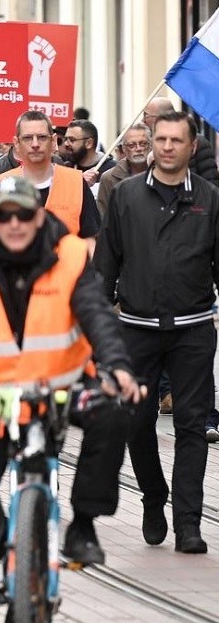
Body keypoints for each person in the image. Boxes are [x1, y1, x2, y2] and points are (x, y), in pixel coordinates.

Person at [0, 175, 142, 623]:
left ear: (38, 215)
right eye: (4, 215)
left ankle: (83, 523)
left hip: (60, 389)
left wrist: (117, 366)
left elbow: (97, 314)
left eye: (24, 214)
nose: (15, 223)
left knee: (115, 414)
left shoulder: (69, 256)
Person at [95, 110, 219, 555]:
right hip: (137, 330)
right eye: (160, 139)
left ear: (191, 147)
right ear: (151, 143)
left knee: (191, 426)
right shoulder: (127, 195)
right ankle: (153, 496)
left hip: (192, 330)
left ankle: (188, 522)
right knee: (136, 420)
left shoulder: (209, 198)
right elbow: (106, 261)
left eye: (175, 140)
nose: (166, 147)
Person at [0, 111, 101, 240]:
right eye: (27, 138)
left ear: (53, 141)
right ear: (16, 143)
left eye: (42, 137)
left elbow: (90, 238)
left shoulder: (76, 182)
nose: (35, 144)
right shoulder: (2, 185)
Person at [143, 97, 218, 184]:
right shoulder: (144, 141)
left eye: (146, 115)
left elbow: (211, 181)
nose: (143, 120)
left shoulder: (197, 141)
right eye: (160, 140)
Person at [97, 124, 150, 217]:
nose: (138, 149)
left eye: (143, 144)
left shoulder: (163, 173)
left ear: (150, 146)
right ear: (124, 149)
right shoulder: (109, 178)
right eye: (132, 145)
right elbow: (103, 217)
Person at [61, 119, 117, 188]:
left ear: (89, 143)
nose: (66, 144)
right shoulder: (66, 168)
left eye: (72, 140)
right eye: (65, 139)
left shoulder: (112, 170)